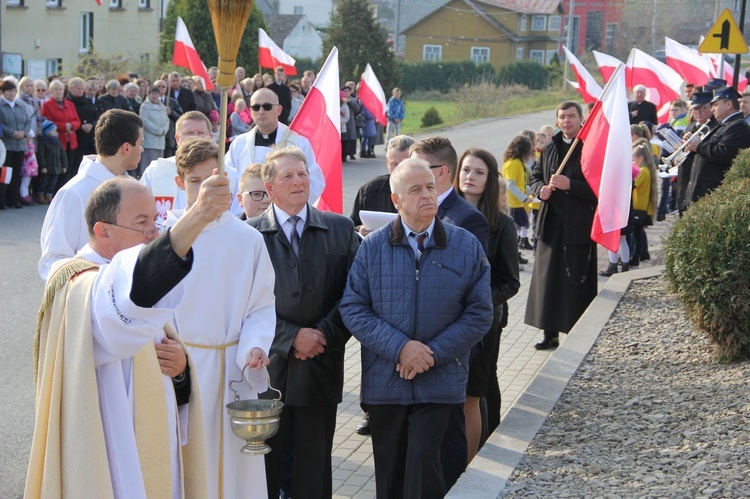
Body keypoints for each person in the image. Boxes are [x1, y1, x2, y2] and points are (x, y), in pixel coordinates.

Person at [26, 174, 235, 498]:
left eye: (156, 220)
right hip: (110, 453)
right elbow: (138, 286)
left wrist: (181, 372)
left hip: (159, 445)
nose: (154, 231)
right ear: (103, 230)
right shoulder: (81, 286)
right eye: (142, 223)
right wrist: (197, 216)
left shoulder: (120, 280)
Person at [340, 158, 492, 499]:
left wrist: (431, 354)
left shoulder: (465, 245)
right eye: (415, 189)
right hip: (386, 384)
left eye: (430, 187)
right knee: (391, 479)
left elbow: (480, 312)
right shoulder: (372, 248)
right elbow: (353, 307)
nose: (427, 194)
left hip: (440, 383)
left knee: (425, 470)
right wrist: (401, 348)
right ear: (396, 200)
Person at [162, 138, 275, 499]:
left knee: (233, 474)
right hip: (180, 371)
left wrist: (255, 345)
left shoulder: (247, 239)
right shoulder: (166, 240)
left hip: (232, 370)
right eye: (195, 181)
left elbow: (260, 305)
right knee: (186, 465)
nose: (205, 189)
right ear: (179, 183)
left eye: (212, 178)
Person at [246, 147, 359, 499]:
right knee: (266, 468)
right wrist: (290, 337)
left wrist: (323, 334)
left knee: (313, 469)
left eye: (303, 174)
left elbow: (356, 293)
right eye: (287, 176)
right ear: (269, 186)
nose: (298, 181)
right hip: (268, 373)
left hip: (320, 369)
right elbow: (242, 305)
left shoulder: (339, 229)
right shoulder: (249, 236)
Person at [409, 135, 489, 489]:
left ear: (441, 173)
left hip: (448, 350)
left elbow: (471, 292)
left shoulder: (467, 219)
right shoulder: (406, 208)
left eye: (419, 167)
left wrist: (436, 349)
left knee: (447, 442)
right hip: (408, 350)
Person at [454, 147, 520, 460]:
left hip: (484, 320)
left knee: (479, 385)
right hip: (443, 319)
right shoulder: (442, 215)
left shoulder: (502, 225)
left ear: (489, 180)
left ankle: (479, 448)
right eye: (466, 170)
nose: (470, 177)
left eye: (479, 172)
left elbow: (510, 281)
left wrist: (479, 302)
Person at [525, 101, 598, 351]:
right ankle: (550, 333)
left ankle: (577, 334)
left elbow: (599, 189)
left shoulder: (589, 149)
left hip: (577, 224)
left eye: (571, 116)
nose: (566, 121)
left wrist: (572, 185)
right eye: (562, 117)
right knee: (549, 282)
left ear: (580, 119)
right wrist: (539, 190)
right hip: (550, 224)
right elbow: (535, 177)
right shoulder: (550, 148)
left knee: (574, 281)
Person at [38, 109, 144, 279]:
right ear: (126, 148)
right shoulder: (73, 193)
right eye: (140, 143)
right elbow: (54, 260)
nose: (142, 149)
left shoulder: (136, 188)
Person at [226, 88, 325, 204]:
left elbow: (315, 182)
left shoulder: (298, 143)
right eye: (256, 107)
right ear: (251, 111)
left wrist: (286, 204)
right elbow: (228, 179)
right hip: (246, 215)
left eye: (267, 107)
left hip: (285, 213)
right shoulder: (238, 144)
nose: (261, 111)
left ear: (278, 110)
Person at [139, 111, 241, 219]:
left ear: (210, 137)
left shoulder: (230, 174)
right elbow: (140, 210)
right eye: (189, 133)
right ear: (177, 139)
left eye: (201, 133)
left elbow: (237, 213)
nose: (195, 138)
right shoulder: (155, 171)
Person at [684, 86, 750, 206]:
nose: (713, 109)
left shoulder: (737, 126)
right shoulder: (723, 125)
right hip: (703, 192)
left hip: (713, 192)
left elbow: (724, 153)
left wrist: (699, 146)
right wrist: (691, 145)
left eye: (716, 105)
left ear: (728, 104)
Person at [350, 134, 414, 237]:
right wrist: (360, 229)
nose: (400, 170)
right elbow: (351, 225)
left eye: (405, 164)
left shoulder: (428, 192)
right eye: (395, 164)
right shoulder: (369, 191)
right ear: (387, 162)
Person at [675, 90, 715, 216]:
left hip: (701, 188)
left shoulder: (715, 127)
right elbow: (682, 153)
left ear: (711, 107)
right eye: (694, 108)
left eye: (702, 108)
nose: (698, 112)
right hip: (685, 184)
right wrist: (681, 147)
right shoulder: (691, 126)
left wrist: (697, 146)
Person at [1, 79, 32, 209]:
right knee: (5, 174)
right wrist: (12, 132)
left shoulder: (20, 104)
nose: (12, 94)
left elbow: (28, 121)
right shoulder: (1, 106)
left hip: (20, 144)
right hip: (7, 145)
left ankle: (13, 199)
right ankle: (3, 200)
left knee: (16, 173)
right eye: (9, 91)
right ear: (3, 92)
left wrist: (23, 132)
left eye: (14, 91)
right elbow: (1, 125)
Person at [68, 77, 98, 179]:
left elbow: (95, 115)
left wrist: (92, 124)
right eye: (78, 88)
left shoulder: (87, 101)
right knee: (75, 164)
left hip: (88, 136)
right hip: (76, 135)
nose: (80, 91)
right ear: (71, 88)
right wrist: (81, 125)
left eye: (82, 88)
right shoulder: (68, 102)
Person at [139, 85, 169, 177]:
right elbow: (145, 121)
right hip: (149, 142)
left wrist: (164, 130)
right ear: (148, 94)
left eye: (156, 94)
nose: (154, 96)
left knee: (158, 167)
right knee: (148, 166)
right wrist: (159, 130)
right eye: (152, 93)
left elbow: (167, 120)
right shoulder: (144, 107)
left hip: (160, 142)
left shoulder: (162, 107)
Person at [35, 119, 67, 205]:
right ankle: (40, 195)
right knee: (44, 181)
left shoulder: (57, 142)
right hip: (47, 167)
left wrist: (64, 165)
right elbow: (41, 156)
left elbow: (62, 154)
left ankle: (49, 195)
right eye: (53, 131)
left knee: (52, 182)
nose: (56, 132)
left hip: (56, 167)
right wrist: (43, 166)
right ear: (47, 132)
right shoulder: (43, 142)